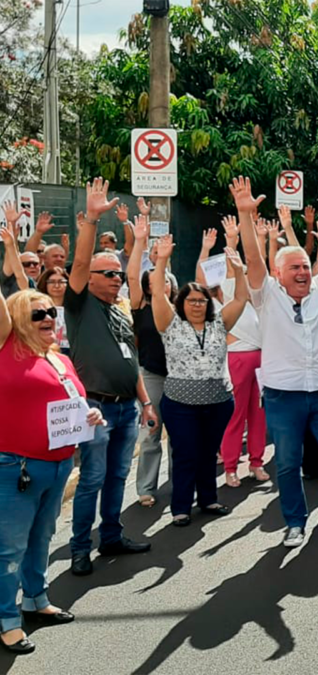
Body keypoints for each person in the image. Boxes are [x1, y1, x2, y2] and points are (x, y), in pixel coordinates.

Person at [232, 176, 318, 548]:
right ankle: (295, 523)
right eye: (294, 268)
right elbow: (254, 262)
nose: (303, 273)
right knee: (289, 464)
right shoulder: (267, 296)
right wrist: (246, 216)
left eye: (305, 267)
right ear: (279, 275)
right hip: (283, 396)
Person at [0, 268, 106, 654]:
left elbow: (70, 403)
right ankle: (6, 620)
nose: (48, 318)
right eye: (37, 315)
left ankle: (34, 599)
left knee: (41, 538)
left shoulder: (57, 358)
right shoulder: (4, 348)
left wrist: (89, 415)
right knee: (9, 547)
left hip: (58, 464)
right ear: (16, 322)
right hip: (15, 467)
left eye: (51, 313)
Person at [65, 178, 156, 577]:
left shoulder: (120, 309)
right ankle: (80, 547)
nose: (116, 279)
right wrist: (92, 222)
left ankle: (112, 535)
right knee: (93, 479)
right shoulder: (80, 304)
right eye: (109, 274)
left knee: (118, 476)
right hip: (96, 408)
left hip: (124, 409)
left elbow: (131, 359)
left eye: (119, 275)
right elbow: (82, 264)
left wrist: (146, 403)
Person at [149, 236, 247, 526]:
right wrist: (162, 260)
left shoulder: (220, 323)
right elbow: (156, 294)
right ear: (181, 302)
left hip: (218, 403)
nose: (197, 305)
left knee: (208, 452)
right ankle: (180, 507)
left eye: (202, 301)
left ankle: (208, 499)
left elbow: (240, 298)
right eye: (191, 300)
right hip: (181, 404)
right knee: (186, 453)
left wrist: (239, 270)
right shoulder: (170, 324)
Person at [211, 215, 268, 487]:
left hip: (261, 357)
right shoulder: (231, 287)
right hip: (237, 358)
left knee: (259, 414)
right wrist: (231, 239)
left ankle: (257, 462)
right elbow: (232, 264)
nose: (243, 271)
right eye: (238, 269)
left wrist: (262, 239)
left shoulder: (258, 291)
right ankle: (231, 466)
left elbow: (259, 261)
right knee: (236, 415)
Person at [127, 219, 176, 506]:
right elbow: (133, 276)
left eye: (166, 280)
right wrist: (140, 243)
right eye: (155, 281)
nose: (161, 284)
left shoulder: (182, 307)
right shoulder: (140, 306)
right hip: (151, 376)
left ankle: (179, 484)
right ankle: (146, 487)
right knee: (151, 431)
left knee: (180, 436)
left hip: (179, 377)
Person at [36, 267, 69, 354]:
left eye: (61, 282)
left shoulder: (76, 307)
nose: (57, 286)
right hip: (46, 350)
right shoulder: (37, 308)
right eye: (52, 282)